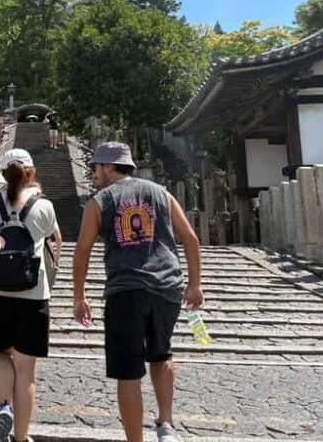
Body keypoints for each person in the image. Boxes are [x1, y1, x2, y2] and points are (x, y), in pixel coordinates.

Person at [72, 142, 204, 442]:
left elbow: (82, 251)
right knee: (161, 353)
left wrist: (79, 296)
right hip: (166, 287)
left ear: (108, 167)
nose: (93, 173)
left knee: (128, 371)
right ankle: (166, 424)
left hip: (125, 289)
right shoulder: (161, 194)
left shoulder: (100, 201)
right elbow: (191, 238)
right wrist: (195, 284)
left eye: (95, 167)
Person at [0, 149, 59, 442]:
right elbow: (56, 241)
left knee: (2, 353)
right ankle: (20, 437)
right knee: (26, 370)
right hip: (33, 293)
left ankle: (3, 407)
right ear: (31, 172)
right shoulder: (44, 207)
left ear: (2, 174)